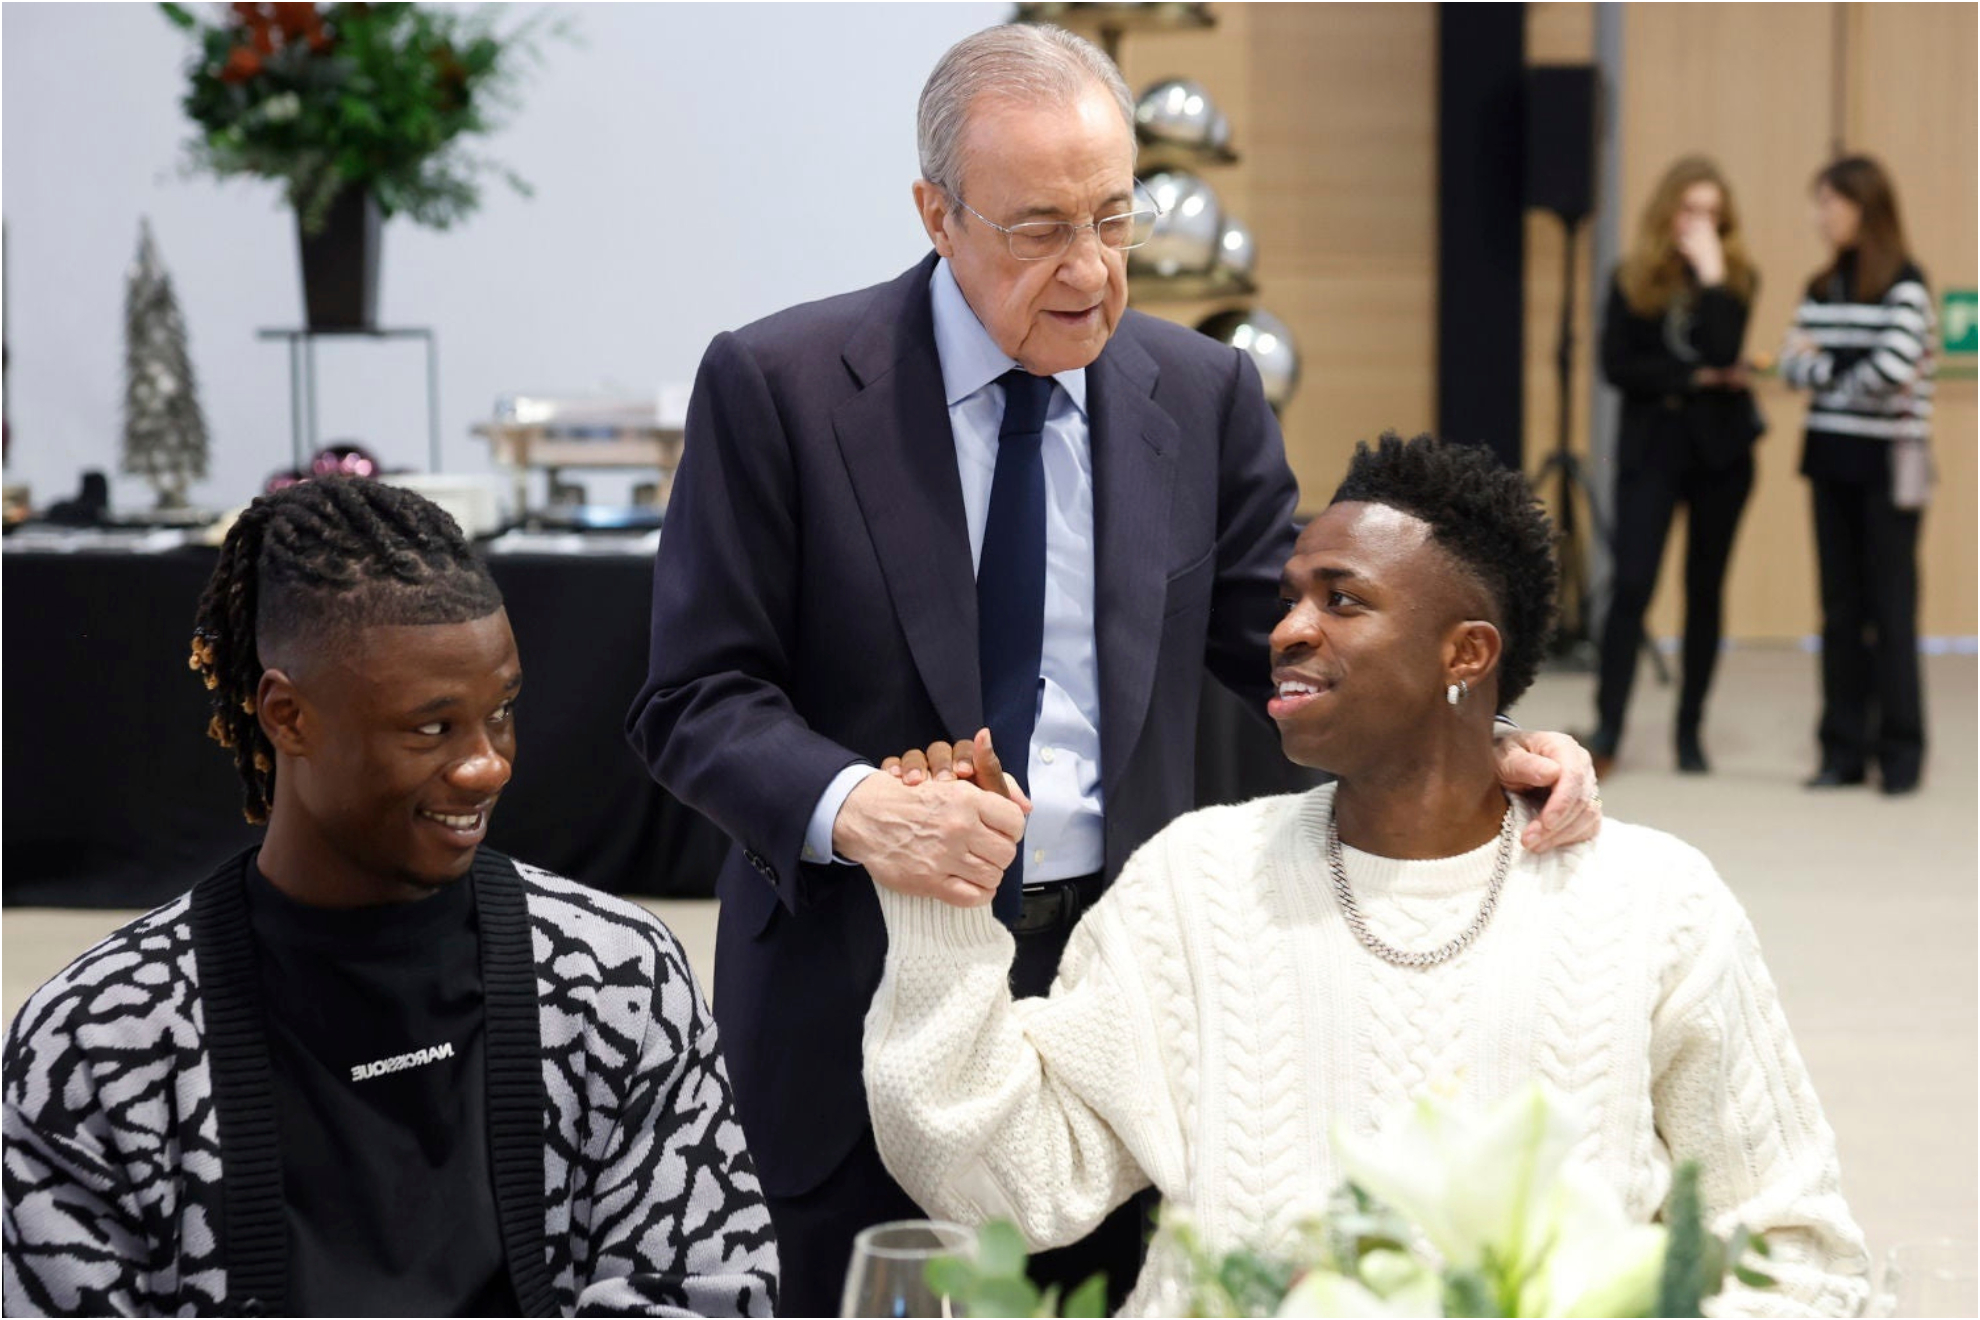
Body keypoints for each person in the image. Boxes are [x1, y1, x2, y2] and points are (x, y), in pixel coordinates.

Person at [625, 24, 1600, 1314]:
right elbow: (694, 697)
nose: (1090, 271)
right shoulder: (784, 387)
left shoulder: (1200, 397)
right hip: (855, 982)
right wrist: (861, 812)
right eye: (1038, 229)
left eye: (1114, 219)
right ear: (938, 214)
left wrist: (1477, 734)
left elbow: (1297, 648)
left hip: (1124, 985)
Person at [864, 434, 1870, 1317]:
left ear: (1465, 653)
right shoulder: (1195, 882)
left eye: (1342, 600)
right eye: (1291, 599)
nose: (1289, 630)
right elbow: (1011, 1186)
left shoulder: (1655, 905)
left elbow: (1800, 1260)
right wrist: (939, 912)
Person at [2, 478, 777, 1317]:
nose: (490, 765)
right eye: (433, 727)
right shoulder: (96, 1041)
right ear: (288, 716)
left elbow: (707, 1292)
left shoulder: (618, 980)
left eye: (503, 712)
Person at [1592, 156, 1763, 776]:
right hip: (1652, 449)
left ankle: (1690, 731)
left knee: (1705, 590)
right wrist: (1694, 377)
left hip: (1721, 454)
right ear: (1667, 212)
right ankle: (1608, 726)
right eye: (1691, 210)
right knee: (1633, 585)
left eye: (1714, 214)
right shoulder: (1631, 278)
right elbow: (1618, 366)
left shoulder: (1738, 278)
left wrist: (1713, 275)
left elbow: (1725, 347)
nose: (1701, 224)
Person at [1779, 155, 1936, 796]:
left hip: (1890, 467)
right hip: (1830, 461)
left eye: (1830, 204)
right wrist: (1845, 364)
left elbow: (1895, 368)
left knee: (1891, 611)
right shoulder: (1820, 287)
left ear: (1863, 208)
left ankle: (1900, 754)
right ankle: (1841, 751)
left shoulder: (1907, 283)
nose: (1821, 217)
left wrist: (1831, 361)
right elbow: (1791, 365)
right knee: (1839, 612)